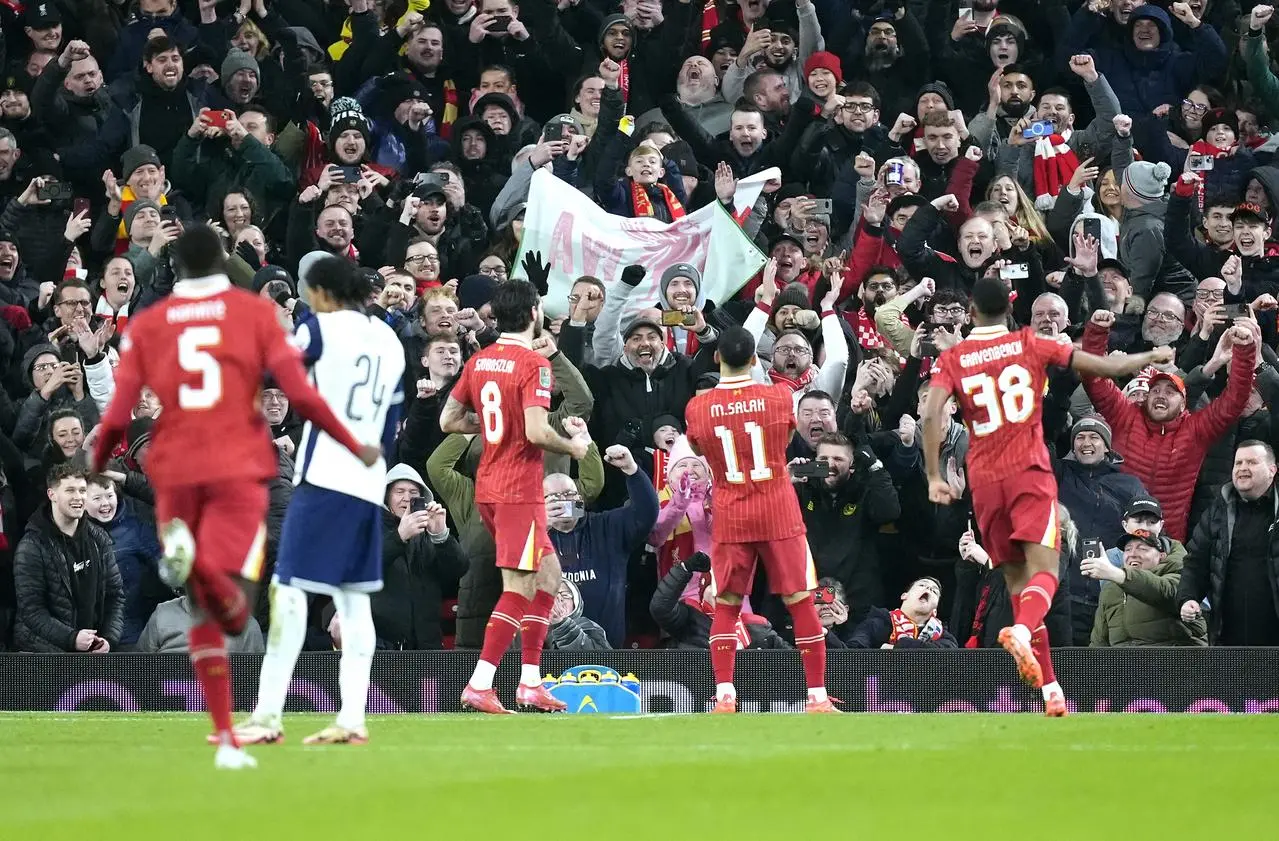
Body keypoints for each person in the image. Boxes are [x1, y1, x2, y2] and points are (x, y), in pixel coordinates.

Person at [88, 226, 379, 770]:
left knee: (202, 604)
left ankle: (224, 736)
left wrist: (100, 456)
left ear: (175, 270)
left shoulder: (149, 325)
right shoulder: (254, 316)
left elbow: (119, 410)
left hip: (175, 471)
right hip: (237, 470)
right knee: (234, 606)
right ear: (223, 263)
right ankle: (212, 593)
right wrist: (351, 441)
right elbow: (300, 395)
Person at [921, 277, 1172, 716]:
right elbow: (1104, 368)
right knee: (1047, 573)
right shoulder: (1030, 343)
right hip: (1029, 472)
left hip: (984, 481)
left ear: (973, 312)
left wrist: (932, 475)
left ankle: (1051, 689)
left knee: (1019, 584)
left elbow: (930, 414)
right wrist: (1151, 355)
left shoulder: (955, 357)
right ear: (1009, 309)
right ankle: (1021, 632)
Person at [234, 256, 406, 747]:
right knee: (354, 606)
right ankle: (353, 716)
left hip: (324, 479)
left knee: (287, 593)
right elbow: (392, 423)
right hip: (367, 485)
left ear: (323, 292)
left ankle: (267, 716)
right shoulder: (391, 341)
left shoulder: (320, 328)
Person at [439, 279, 593, 714]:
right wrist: (575, 447)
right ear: (532, 314)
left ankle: (529, 683)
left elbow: (449, 420)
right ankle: (480, 683)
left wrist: (493, 429)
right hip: (517, 491)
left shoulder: (480, 361)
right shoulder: (533, 365)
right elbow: (538, 432)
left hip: (490, 485)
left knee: (548, 578)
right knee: (520, 588)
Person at [684, 325, 835, 714]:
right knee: (801, 600)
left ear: (717, 358)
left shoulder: (697, 407)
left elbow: (700, 447)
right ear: (755, 359)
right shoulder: (779, 396)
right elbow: (784, 440)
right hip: (778, 511)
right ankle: (817, 697)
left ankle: (724, 697)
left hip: (732, 515)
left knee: (727, 604)